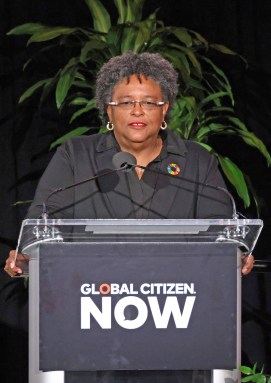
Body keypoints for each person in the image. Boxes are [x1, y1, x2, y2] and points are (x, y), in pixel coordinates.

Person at [4, 51, 254, 277]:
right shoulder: (75, 155)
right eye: (125, 103)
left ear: (164, 109)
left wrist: (233, 254)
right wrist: (31, 253)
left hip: (181, 295)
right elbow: (44, 219)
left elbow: (221, 229)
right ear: (108, 111)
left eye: (148, 102)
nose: (137, 111)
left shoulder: (197, 160)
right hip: (90, 294)